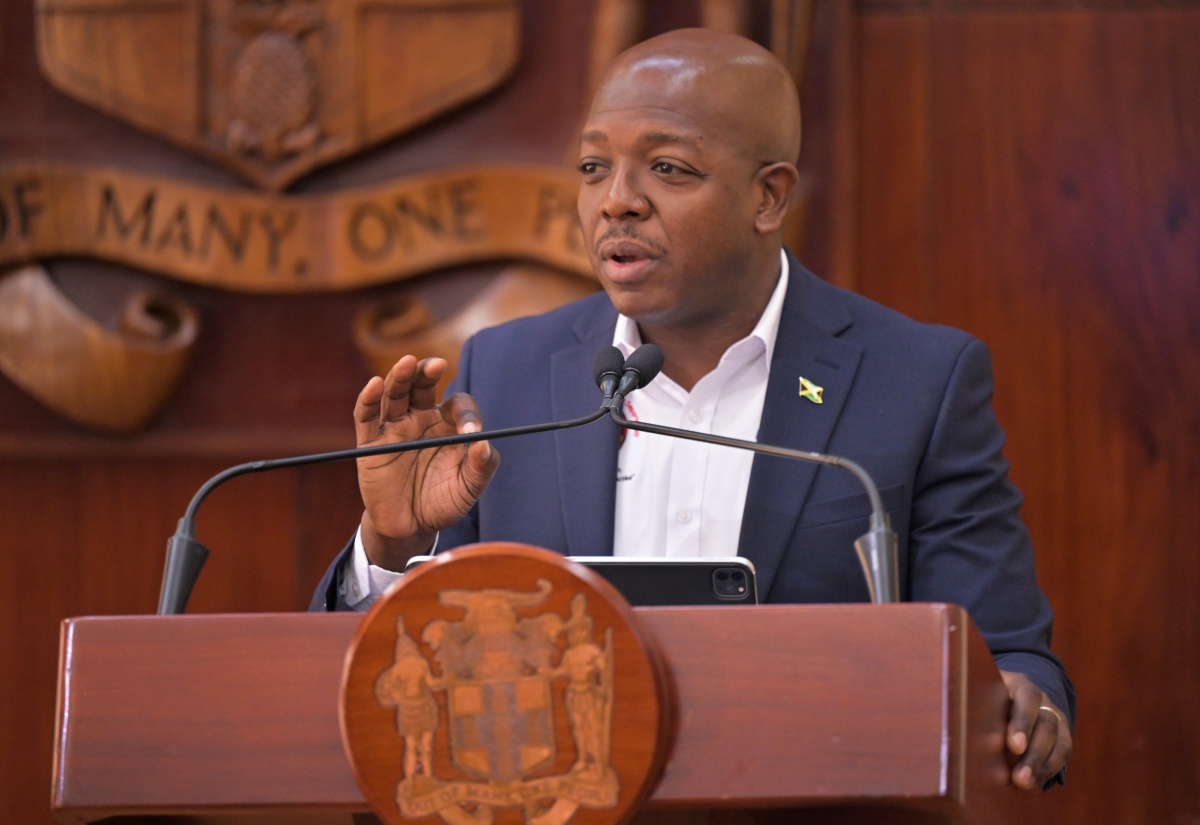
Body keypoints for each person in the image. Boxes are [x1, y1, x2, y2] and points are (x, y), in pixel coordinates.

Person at [312, 28, 1074, 790]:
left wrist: (1018, 700)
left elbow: (1006, 652)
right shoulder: (506, 373)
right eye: (593, 167)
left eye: (668, 168)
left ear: (768, 197)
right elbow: (387, 687)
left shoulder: (915, 379)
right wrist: (392, 543)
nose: (617, 200)